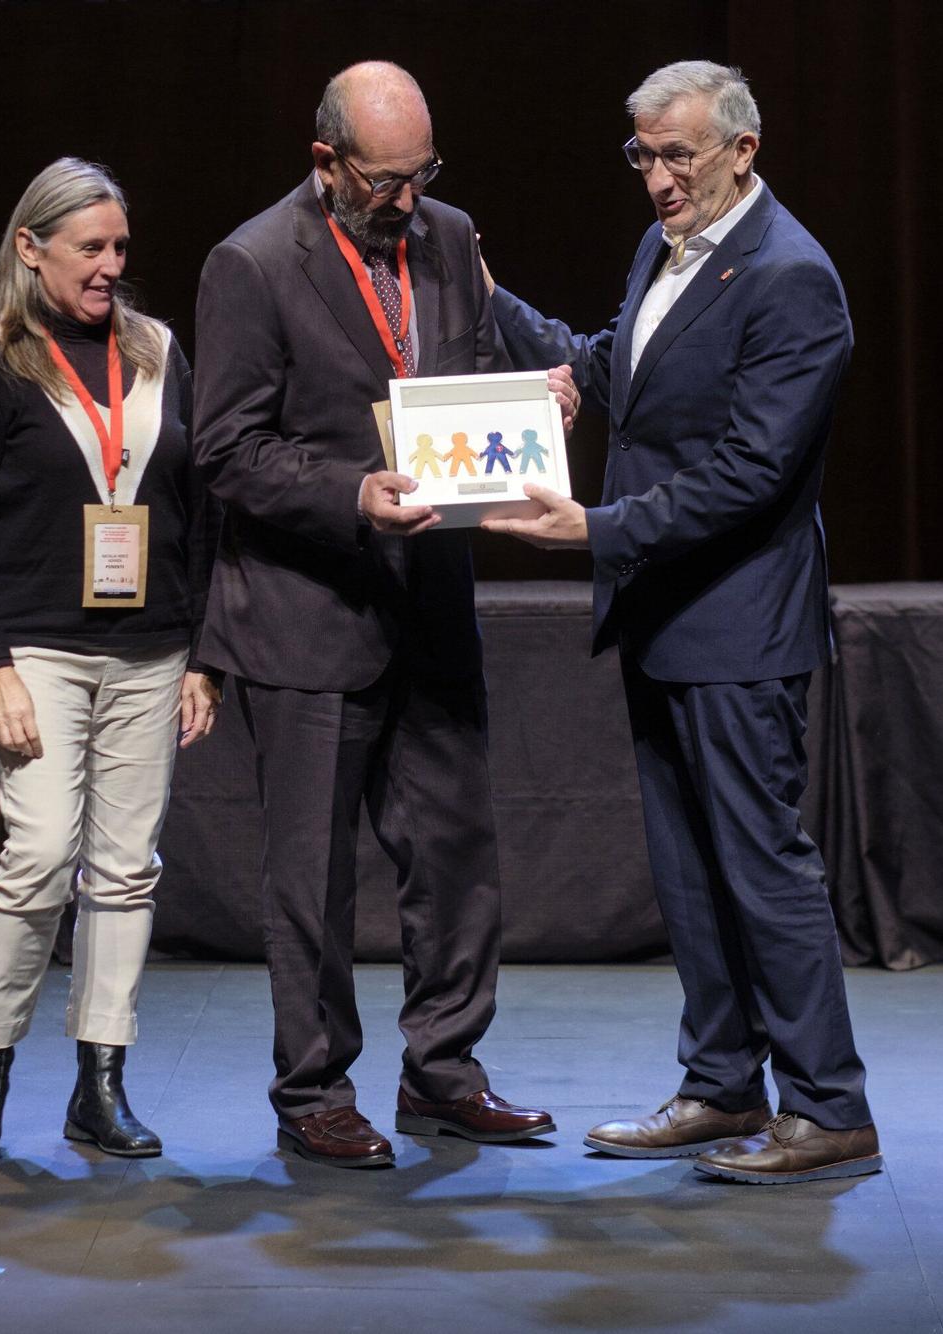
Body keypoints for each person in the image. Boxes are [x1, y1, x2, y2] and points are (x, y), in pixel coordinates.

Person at [482, 61, 881, 1185]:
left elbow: (753, 471)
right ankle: (721, 1084)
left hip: (738, 620)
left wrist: (596, 529)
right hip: (663, 611)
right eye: (643, 157)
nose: (657, 179)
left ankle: (828, 1105)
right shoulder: (667, 248)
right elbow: (617, 369)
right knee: (690, 869)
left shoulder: (790, 277)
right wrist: (497, 307)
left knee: (760, 864)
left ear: (742, 151)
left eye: (678, 156)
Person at [191, 61, 572, 1168]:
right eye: (385, 180)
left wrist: (533, 398)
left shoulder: (447, 238)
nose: (407, 199)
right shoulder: (252, 263)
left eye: (422, 174)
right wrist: (350, 495)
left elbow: (466, 377)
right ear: (326, 160)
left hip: (431, 604)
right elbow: (226, 449)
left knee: (456, 853)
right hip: (306, 613)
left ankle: (443, 1072)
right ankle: (313, 1091)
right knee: (311, 876)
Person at [0, 157, 221, 1165]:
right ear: (30, 247)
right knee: (41, 855)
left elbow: (199, 511)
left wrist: (203, 653)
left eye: (119, 247)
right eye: (89, 247)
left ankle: (101, 1083)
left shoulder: (156, 350)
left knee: (126, 871)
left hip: (152, 650)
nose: (109, 266)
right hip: (38, 650)